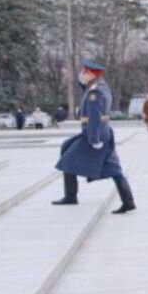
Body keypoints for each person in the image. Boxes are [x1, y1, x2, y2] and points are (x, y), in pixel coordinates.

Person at [52, 58, 136, 214]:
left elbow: (94, 116)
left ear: (91, 74)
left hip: (95, 134)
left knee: (68, 159)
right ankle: (128, 201)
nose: (82, 74)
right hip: (102, 132)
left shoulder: (94, 91)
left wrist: (94, 139)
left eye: (85, 72)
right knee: (113, 168)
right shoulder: (98, 86)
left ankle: (70, 196)